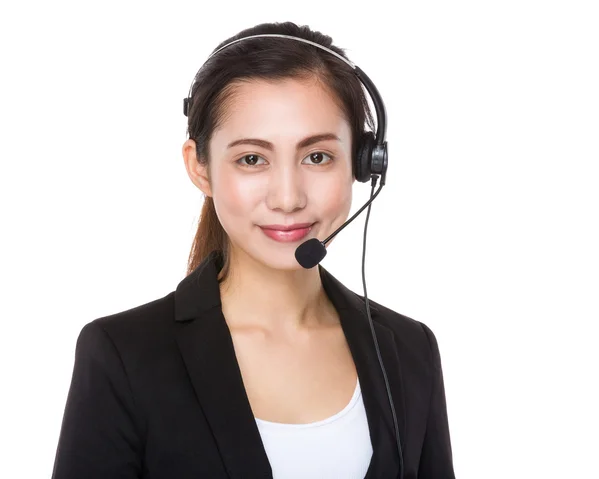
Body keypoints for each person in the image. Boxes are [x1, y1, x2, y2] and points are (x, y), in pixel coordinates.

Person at [51, 21, 455, 479]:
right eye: (252, 159)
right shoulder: (124, 356)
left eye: (317, 156)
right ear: (199, 168)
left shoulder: (408, 349)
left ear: (364, 163)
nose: (287, 197)